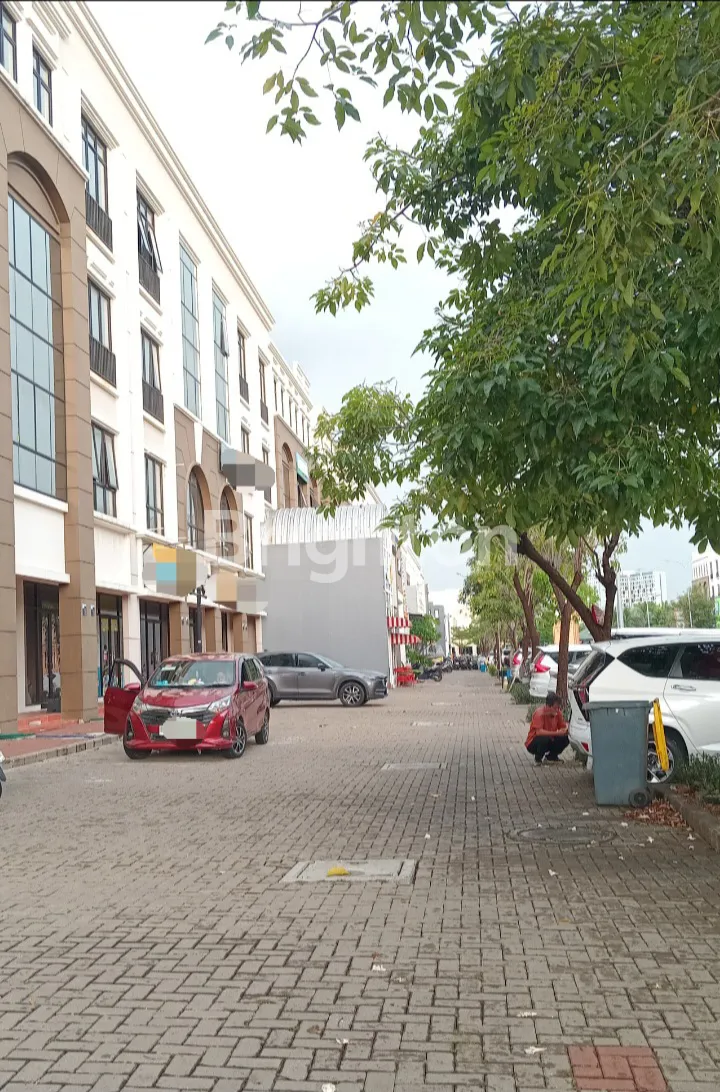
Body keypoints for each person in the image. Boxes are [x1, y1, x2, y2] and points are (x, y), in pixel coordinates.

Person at [525, 692, 569, 764]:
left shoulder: (558, 713)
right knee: (544, 738)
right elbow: (539, 732)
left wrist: (566, 730)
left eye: (558, 707)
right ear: (548, 706)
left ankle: (552, 757)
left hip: (550, 739)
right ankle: (538, 758)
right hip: (533, 743)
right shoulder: (539, 713)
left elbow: (563, 727)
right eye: (555, 708)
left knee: (566, 737)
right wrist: (557, 733)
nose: (557, 710)